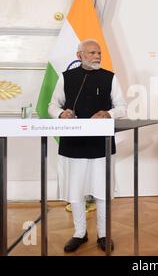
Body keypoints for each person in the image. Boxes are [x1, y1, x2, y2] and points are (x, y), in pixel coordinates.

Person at [48, 39, 126, 253]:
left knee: (102, 191)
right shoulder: (66, 78)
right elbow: (53, 104)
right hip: (73, 144)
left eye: (99, 52)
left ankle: (103, 234)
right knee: (75, 191)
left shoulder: (110, 77)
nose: (97, 56)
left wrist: (108, 113)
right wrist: (61, 113)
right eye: (91, 52)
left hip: (101, 144)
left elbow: (122, 107)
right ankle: (79, 233)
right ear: (79, 55)